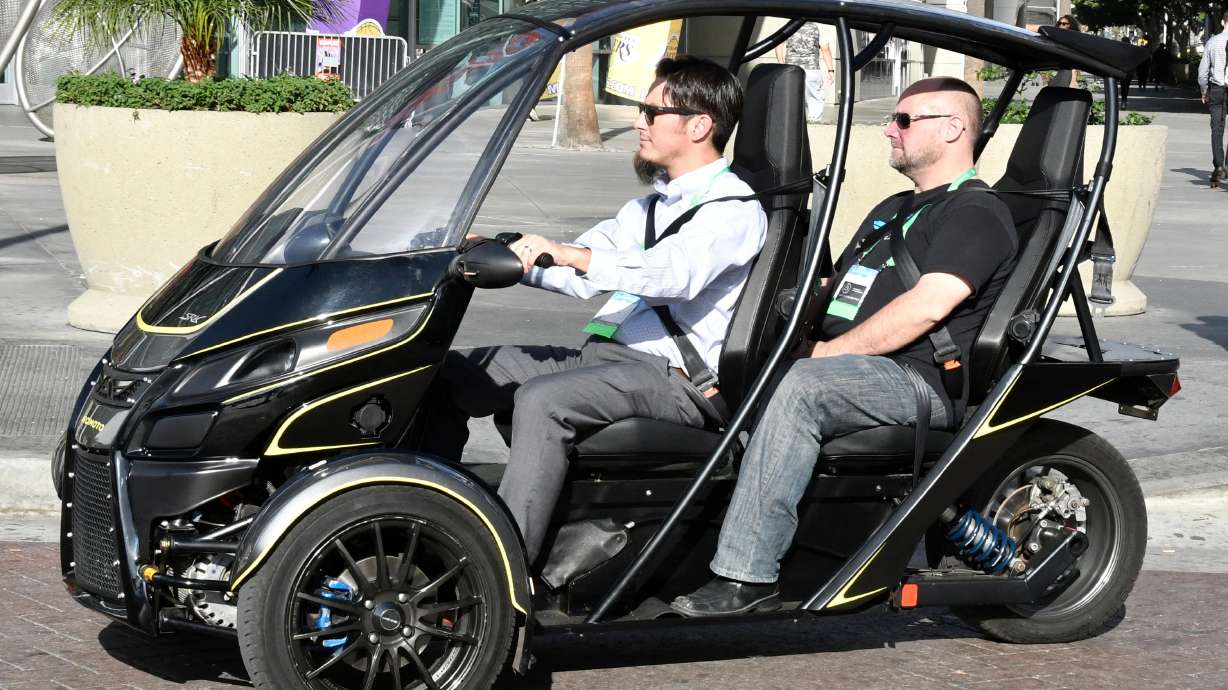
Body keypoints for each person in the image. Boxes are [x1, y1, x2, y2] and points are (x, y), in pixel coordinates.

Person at [672, 77, 1017, 617]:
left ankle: (746, 574)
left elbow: (927, 306)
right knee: (732, 365)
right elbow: (834, 287)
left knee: (804, 386)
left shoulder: (975, 212)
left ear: (953, 128)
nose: (890, 130)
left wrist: (829, 356)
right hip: (853, 367)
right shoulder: (894, 207)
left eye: (904, 120)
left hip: (916, 379)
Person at [420, 56, 768, 564]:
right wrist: (504, 253)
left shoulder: (733, 211)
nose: (637, 122)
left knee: (540, 400)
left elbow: (672, 275)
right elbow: (579, 273)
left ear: (699, 125)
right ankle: (426, 523)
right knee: (451, 372)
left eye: (652, 112)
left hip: (676, 381)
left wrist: (573, 255)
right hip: (607, 357)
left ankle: (503, 573)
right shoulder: (652, 207)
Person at [774, 22, 835, 123]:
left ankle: (792, 122)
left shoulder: (790, 24)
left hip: (792, 68)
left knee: (792, 96)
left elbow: (778, 44)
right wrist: (830, 70)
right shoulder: (819, 26)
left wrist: (781, 63)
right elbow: (825, 49)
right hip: (811, 68)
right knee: (815, 97)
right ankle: (814, 122)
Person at [1199, 11, 1228, 188]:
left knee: (1217, 128)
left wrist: (1204, 91)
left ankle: (1218, 164)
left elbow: (1203, 72)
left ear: (1223, 22)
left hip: (1217, 89)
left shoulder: (1213, 41)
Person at [1049, 15, 1081, 88]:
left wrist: (1073, 80)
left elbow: (1074, 61)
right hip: (1057, 71)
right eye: (1059, 23)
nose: (1061, 25)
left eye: (1064, 24)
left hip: (1066, 73)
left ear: (1071, 26)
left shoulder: (1072, 40)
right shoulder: (1057, 38)